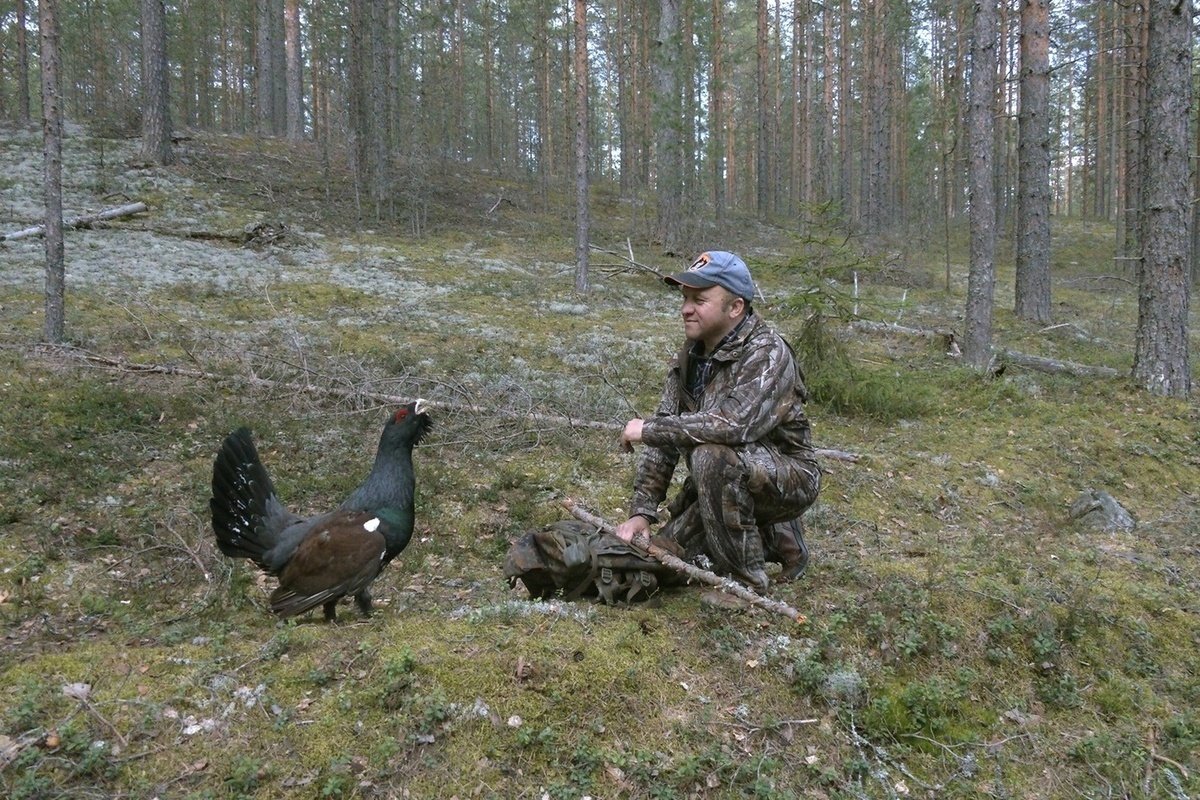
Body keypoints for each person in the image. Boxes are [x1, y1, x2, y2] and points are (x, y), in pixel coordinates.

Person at [614, 250, 820, 593]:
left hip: (789, 477)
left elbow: (733, 425)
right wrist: (642, 512)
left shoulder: (768, 352)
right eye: (684, 299)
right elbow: (665, 443)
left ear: (735, 307)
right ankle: (773, 535)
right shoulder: (690, 357)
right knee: (662, 559)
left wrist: (648, 430)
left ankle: (746, 583)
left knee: (711, 455)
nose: (685, 308)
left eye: (699, 300)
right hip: (721, 479)